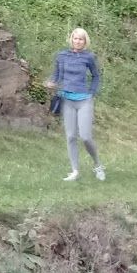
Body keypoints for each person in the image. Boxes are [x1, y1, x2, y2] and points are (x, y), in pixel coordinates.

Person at [47, 27, 104, 182]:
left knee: (85, 137)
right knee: (71, 136)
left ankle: (98, 165)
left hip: (84, 99)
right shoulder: (62, 56)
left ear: (85, 41)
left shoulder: (89, 57)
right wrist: (51, 83)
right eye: (75, 38)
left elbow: (96, 76)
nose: (78, 41)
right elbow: (57, 75)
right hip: (67, 99)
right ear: (71, 39)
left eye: (81, 39)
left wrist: (91, 92)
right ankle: (75, 170)